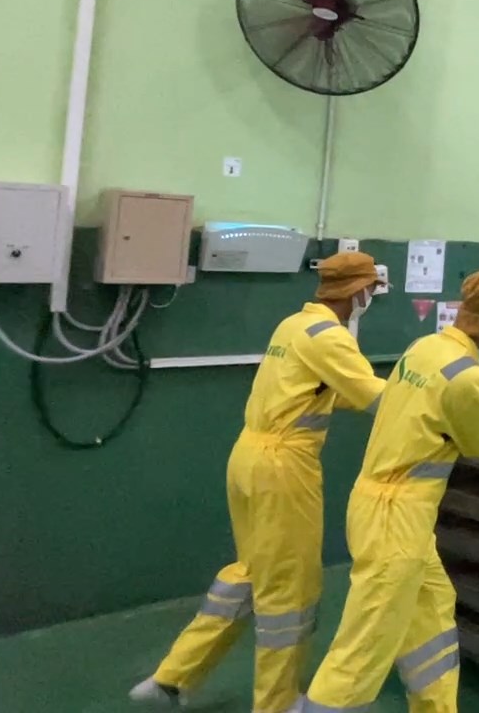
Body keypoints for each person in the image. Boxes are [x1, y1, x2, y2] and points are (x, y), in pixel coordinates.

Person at [296, 269, 479, 713]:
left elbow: (426, 404)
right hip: (397, 521)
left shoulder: (425, 348)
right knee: (362, 648)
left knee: (432, 621)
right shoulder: (468, 377)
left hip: (388, 511)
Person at [131, 251, 389, 712]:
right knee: (291, 589)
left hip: (249, 457)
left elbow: (318, 393)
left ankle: (173, 676)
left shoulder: (293, 326)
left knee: (250, 572)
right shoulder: (330, 337)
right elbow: (377, 399)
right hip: (284, 469)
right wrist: (436, 400)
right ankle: (277, 703)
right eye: (371, 288)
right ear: (356, 291)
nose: (371, 296)